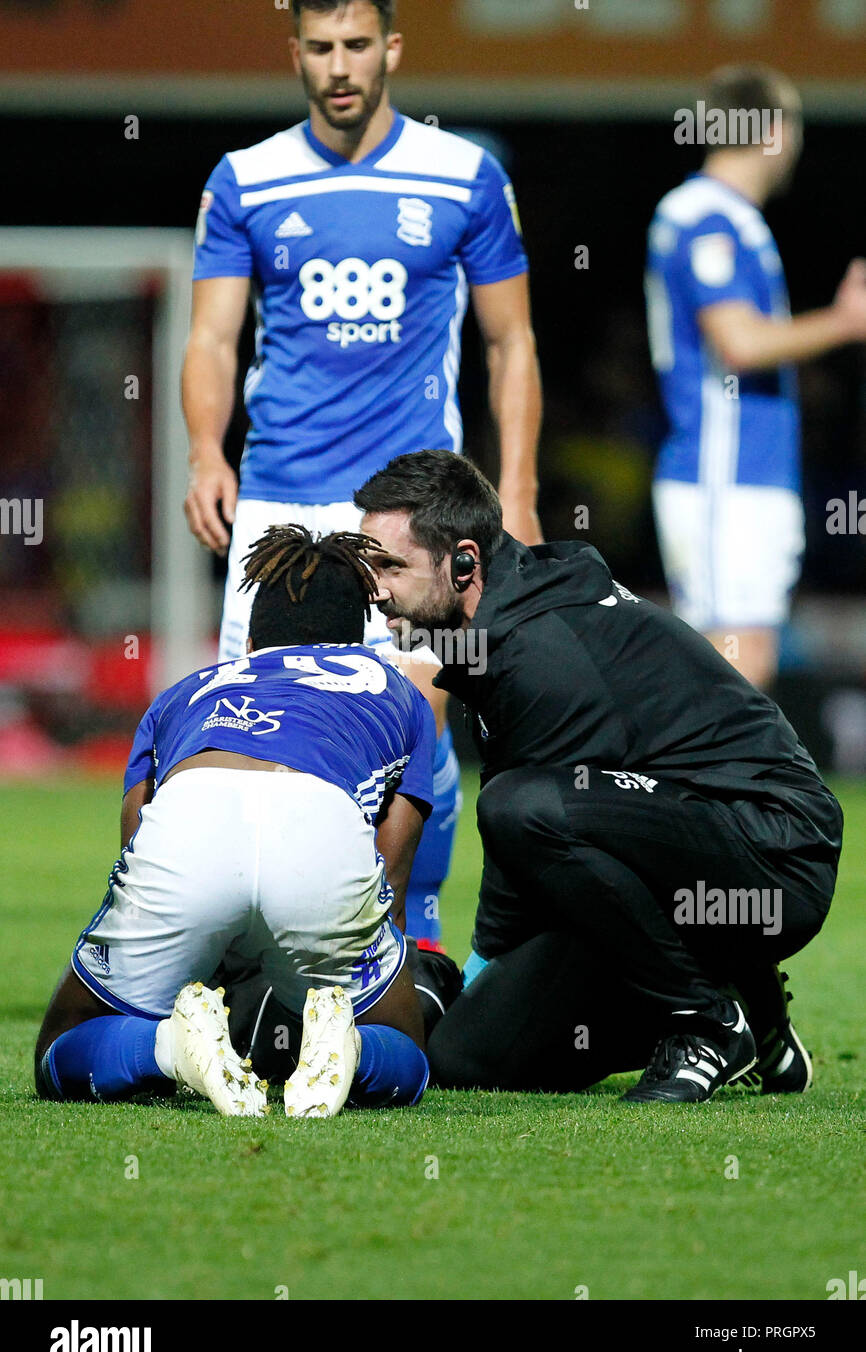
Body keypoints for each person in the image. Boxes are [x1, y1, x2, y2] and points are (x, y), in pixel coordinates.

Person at [181, 0, 542, 942]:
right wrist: (202, 450)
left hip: (414, 508)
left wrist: (525, 493)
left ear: (391, 49)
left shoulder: (465, 174)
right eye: (319, 48)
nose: (338, 67)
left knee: (417, 720)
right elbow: (213, 338)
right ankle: (250, 958)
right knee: (257, 732)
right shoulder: (246, 181)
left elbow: (512, 343)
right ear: (294, 52)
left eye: (355, 46)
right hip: (277, 497)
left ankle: (408, 945)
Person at [353, 449, 843, 1103]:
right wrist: (478, 980)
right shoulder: (499, 620)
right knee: (466, 1055)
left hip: (776, 849)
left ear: (464, 561)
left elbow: (530, 823)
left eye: (391, 565)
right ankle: (757, 1012)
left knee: (520, 807)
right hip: (690, 845)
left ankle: (706, 1021)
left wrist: (485, 965)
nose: (374, 587)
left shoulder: (538, 655)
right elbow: (537, 853)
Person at [34, 526, 434, 1119]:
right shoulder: (398, 693)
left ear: (250, 641)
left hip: (194, 816)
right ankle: (344, 1043)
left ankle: (169, 1049)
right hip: (321, 830)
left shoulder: (183, 692)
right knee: (407, 1052)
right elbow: (391, 885)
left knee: (57, 1053)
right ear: (360, 639)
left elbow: (135, 838)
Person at [646, 64, 866, 689]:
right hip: (723, 470)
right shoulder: (704, 216)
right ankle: (684, 789)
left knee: (740, 663)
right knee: (734, 666)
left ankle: (711, 790)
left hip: (747, 471)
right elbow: (739, 342)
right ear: (774, 131)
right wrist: (847, 323)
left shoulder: (731, 219)